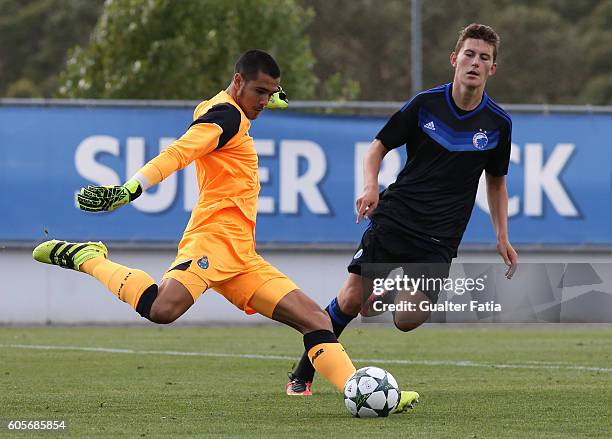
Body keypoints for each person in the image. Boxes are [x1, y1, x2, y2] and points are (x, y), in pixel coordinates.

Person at [32, 49, 417, 412]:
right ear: (238, 81)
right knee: (163, 308)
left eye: (271, 93)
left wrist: (264, 96)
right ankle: (89, 258)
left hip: (242, 256)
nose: (265, 100)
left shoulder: (231, 110)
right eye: (259, 91)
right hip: (212, 241)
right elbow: (177, 152)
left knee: (315, 319)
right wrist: (131, 188)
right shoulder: (226, 117)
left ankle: (363, 393)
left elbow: (234, 106)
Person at [287, 23, 518, 396]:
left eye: (484, 57)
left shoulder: (498, 124)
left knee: (408, 318)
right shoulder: (425, 105)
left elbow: (496, 180)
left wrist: (502, 236)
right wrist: (369, 188)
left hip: (441, 235)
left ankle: (384, 291)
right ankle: (302, 373)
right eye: (469, 54)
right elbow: (378, 146)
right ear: (454, 59)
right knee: (350, 300)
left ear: (493, 69)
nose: (475, 62)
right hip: (397, 217)